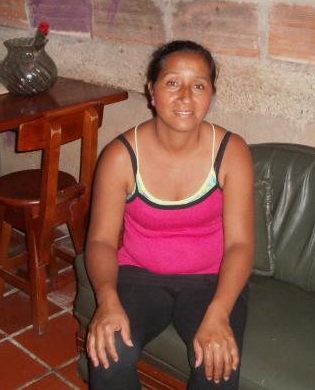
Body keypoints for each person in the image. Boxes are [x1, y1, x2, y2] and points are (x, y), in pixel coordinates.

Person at [85, 40, 255, 390]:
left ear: (211, 94)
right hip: (139, 275)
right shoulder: (120, 156)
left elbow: (240, 244)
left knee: (218, 366)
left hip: (211, 280)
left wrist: (220, 312)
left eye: (199, 85)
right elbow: (101, 240)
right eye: (173, 83)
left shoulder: (231, 152)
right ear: (152, 91)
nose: (185, 97)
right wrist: (107, 299)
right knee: (109, 353)